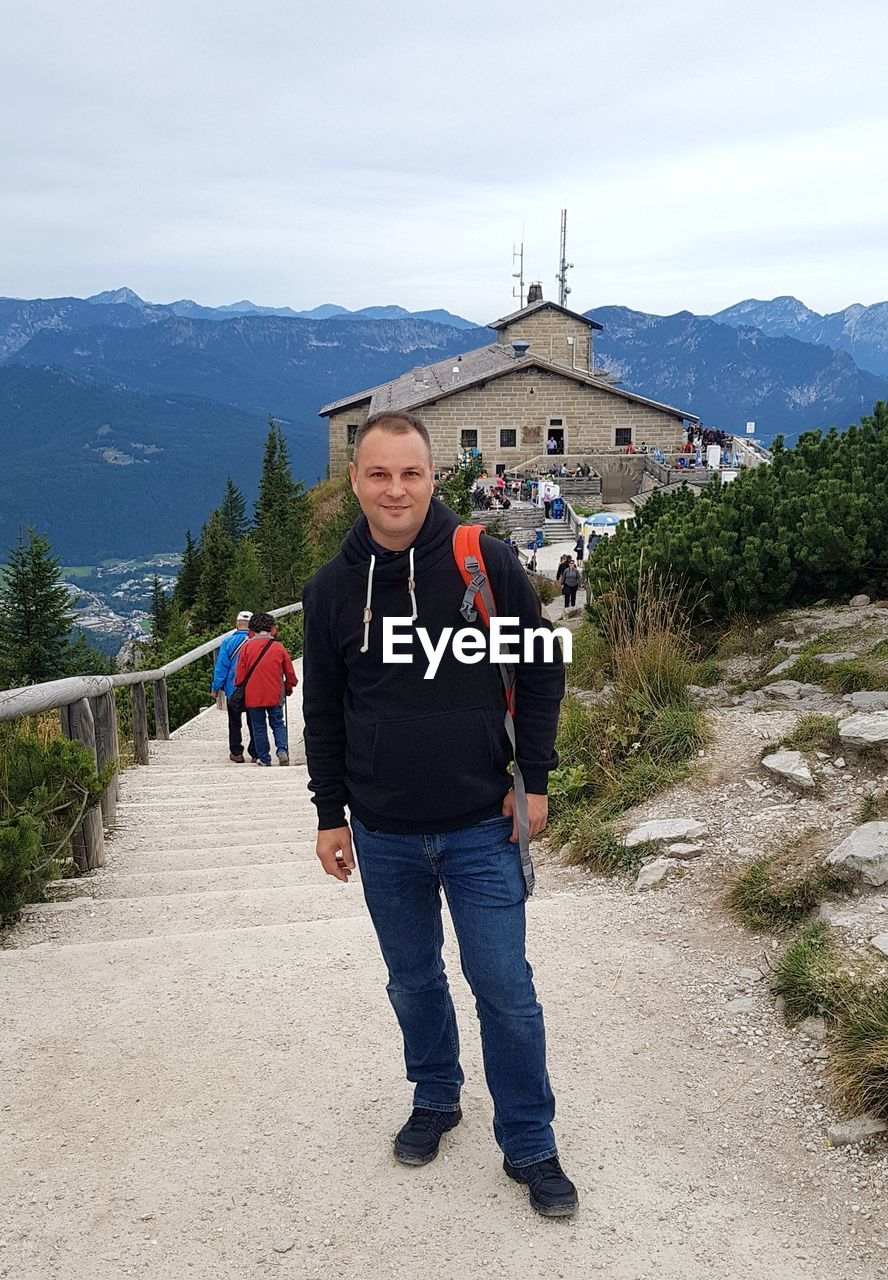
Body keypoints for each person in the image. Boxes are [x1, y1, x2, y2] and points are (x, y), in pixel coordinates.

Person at [301, 409, 576, 1219]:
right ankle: (436, 1095)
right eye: (379, 474)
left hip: (480, 825)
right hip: (381, 833)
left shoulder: (483, 562)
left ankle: (530, 1142)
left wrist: (535, 781)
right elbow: (323, 711)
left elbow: (542, 672)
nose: (396, 490)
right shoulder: (330, 591)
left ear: (433, 477)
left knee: (504, 988)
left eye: (411, 473)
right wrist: (330, 815)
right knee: (413, 979)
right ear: (354, 480)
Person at [233, 612, 298, 766]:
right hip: (274, 693)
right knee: (278, 723)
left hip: (253, 695)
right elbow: (290, 674)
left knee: (259, 727)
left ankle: (264, 758)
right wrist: (288, 688)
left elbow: (240, 677)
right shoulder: (278, 647)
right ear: (272, 629)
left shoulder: (247, 647)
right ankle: (282, 750)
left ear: (252, 629)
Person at [210, 610, 255, 763]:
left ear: (237, 625)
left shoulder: (228, 643)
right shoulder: (256, 642)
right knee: (254, 720)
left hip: (233, 689)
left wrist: (215, 688)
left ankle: (236, 752)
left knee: (234, 722)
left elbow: (221, 668)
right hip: (253, 688)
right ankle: (256, 752)